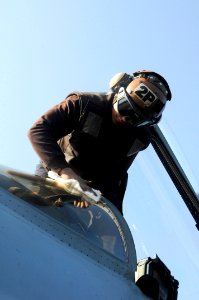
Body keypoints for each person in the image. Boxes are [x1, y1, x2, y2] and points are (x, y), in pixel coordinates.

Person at [28, 70, 172, 213]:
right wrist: (66, 173)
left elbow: (115, 177)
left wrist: (93, 194)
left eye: (136, 119)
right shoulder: (83, 103)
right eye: (125, 107)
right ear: (119, 92)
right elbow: (39, 130)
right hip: (53, 172)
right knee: (34, 207)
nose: (125, 119)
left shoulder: (140, 138)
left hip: (91, 191)